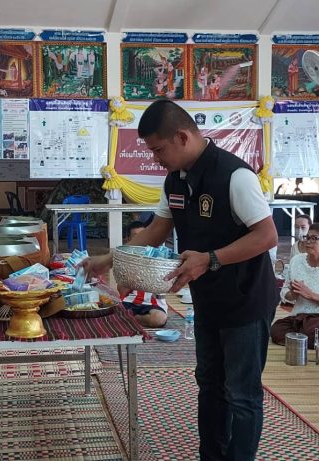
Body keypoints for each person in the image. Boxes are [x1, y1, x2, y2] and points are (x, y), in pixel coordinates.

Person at [82, 99, 279, 460]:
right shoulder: (175, 179)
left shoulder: (234, 176)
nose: (155, 158)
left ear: (183, 137)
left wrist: (211, 258)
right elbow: (156, 231)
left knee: (241, 393)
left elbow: (267, 236)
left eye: (158, 149)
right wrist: (109, 259)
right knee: (210, 384)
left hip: (245, 300)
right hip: (207, 298)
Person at [119, 221, 168, 328]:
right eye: (136, 237)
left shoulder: (158, 258)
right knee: (109, 311)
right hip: (129, 302)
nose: (141, 240)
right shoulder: (124, 260)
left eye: (143, 235)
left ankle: (132, 319)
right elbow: (122, 291)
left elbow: (164, 288)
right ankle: (129, 317)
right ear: (129, 240)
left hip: (152, 305)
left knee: (158, 319)